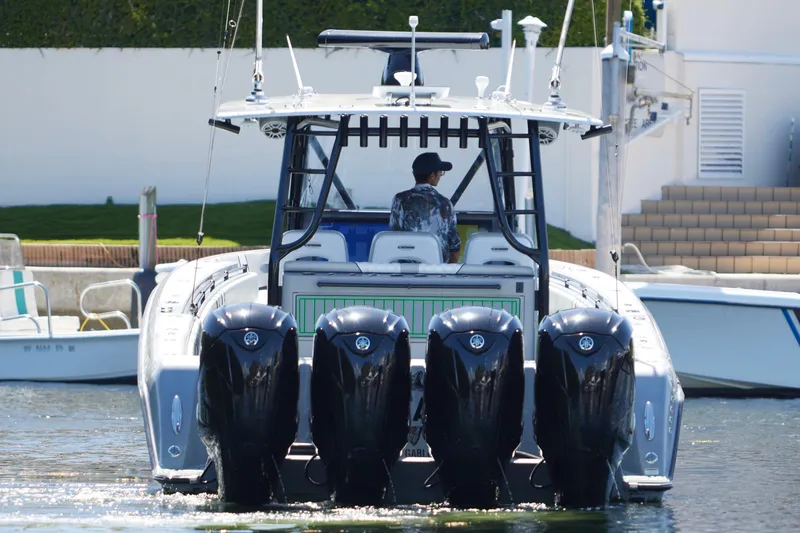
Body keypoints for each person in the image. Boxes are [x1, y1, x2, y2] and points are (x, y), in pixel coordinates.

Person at [389, 152, 461, 263]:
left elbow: (393, 238)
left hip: (407, 271)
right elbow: (454, 246)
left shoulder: (400, 200)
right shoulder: (445, 204)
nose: (440, 175)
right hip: (437, 272)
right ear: (432, 175)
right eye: (440, 172)